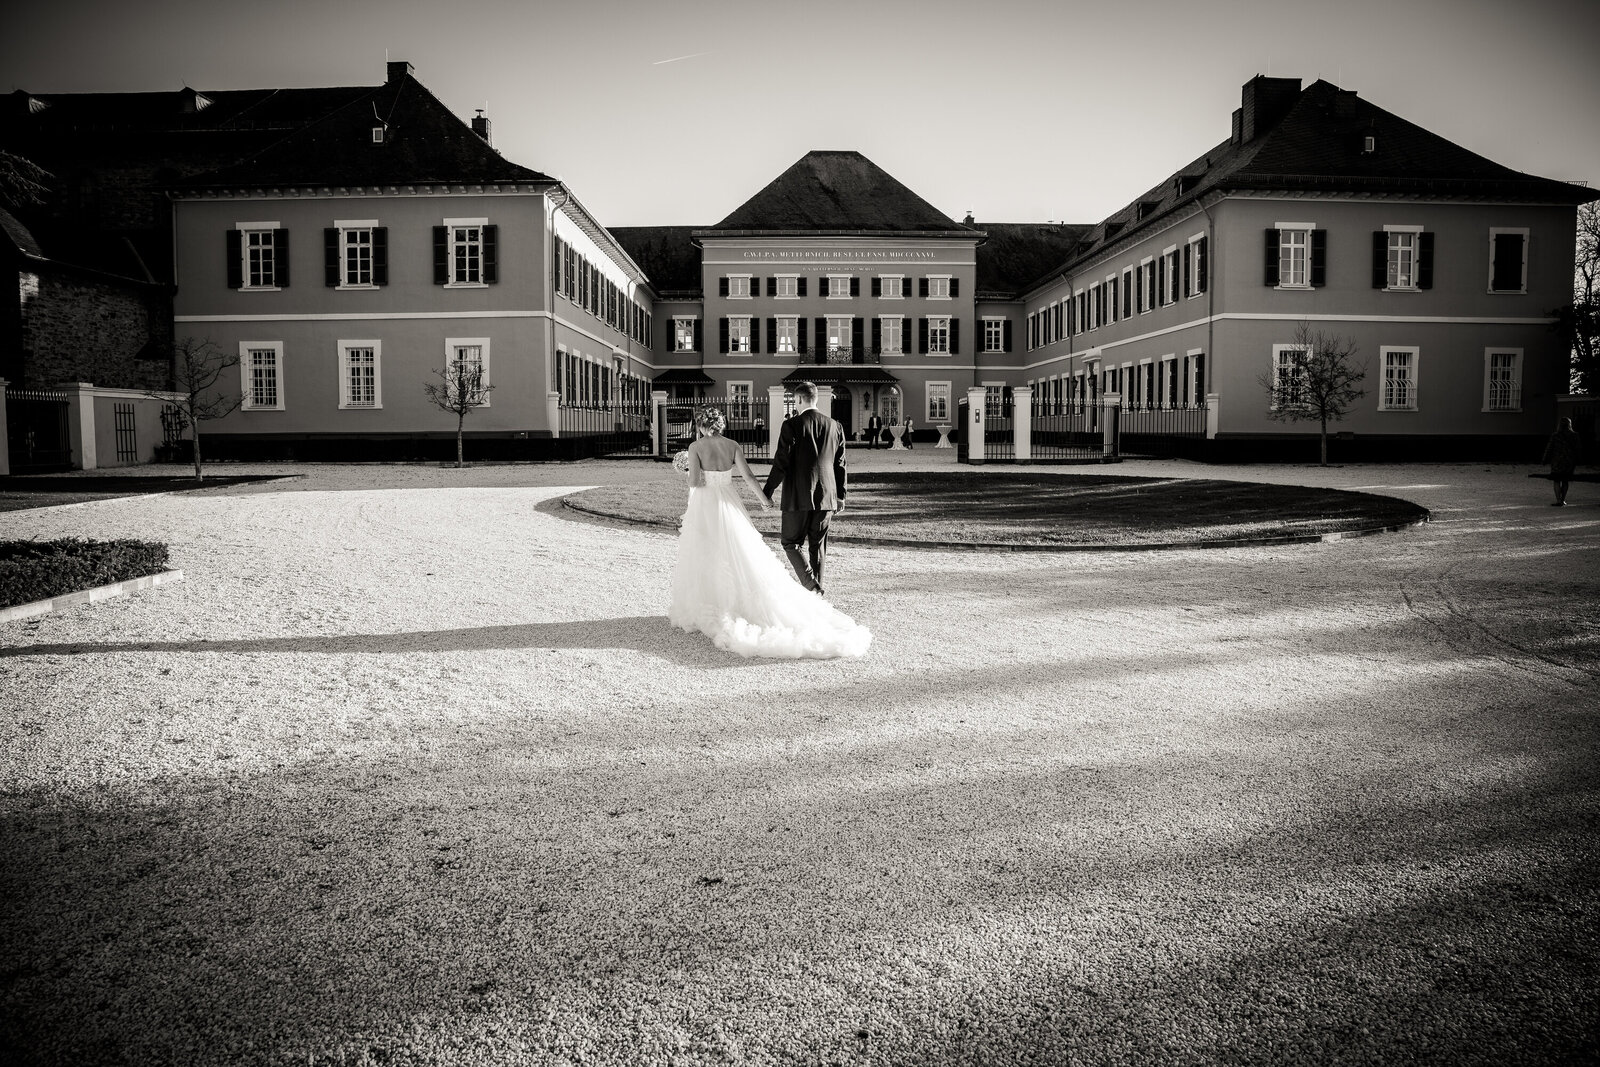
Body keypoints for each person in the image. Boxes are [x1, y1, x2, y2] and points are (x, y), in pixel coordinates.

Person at [668, 404, 870, 659]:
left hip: (706, 504)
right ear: (720, 425)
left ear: (701, 425)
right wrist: (764, 499)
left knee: (705, 551)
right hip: (729, 503)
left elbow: (695, 482)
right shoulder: (733, 446)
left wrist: (686, 470)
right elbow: (750, 477)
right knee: (740, 551)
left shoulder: (695, 447)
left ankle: (711, 604)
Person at [763, 381, 851, 600]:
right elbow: (841, 464)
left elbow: (781, 462)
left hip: (798, 495)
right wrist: (841, 495)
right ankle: (816, 596)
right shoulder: (835, 426)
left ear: (799, 399)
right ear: (816, 399)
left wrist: (768, 491)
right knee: (817, 546)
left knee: (790, 542)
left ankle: (811, 585)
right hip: (827, 496)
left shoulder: (791, 425)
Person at [1542, 416, 1583, 506]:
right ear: (1570, 424)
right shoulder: (1575, 435)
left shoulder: (1555, 435)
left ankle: (1558, 500)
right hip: (1569, 462)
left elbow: (1549, 448)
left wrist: (1544, 460)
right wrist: (1579, 460)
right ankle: (1563, 500)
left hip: (1557, 462)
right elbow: (1578, 449)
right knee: (1565, 480)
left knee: (1556, 480)